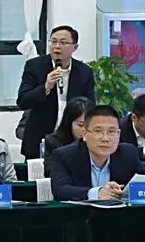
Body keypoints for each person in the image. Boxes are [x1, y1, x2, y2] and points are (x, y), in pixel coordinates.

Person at [16, 25, 96, 159]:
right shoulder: (34, 66)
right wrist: (46, 87)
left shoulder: (84, 72)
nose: (57, 46)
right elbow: (23, 101)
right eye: (53, 41)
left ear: (75, 47)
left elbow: (90, 106)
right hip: (40, 139)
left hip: (73, 141)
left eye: (63, 42)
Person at [50, 105, 141, 201]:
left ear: (118, 134)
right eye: (98, 131)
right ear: (84, 134)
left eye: (111, 131)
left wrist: (122, 192)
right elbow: (60, 190)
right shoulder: (64, 156)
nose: (105, 138)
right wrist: (97, 193)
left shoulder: (128, 153)